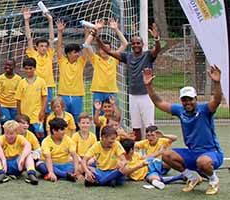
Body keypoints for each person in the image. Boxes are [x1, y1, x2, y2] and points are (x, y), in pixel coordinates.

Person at [144, 65, 224, 195]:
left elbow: (217, 99)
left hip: (212, 153)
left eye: (190, 99)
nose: (188, 103)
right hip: (193, 153)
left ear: (196, 99)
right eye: (184, 100)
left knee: (202, 162)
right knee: (166, 154)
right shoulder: (180, 110)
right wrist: (149, 86)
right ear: (181, 101)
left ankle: (213, 180)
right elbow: (159, 103)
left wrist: (217, 83)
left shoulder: (205, 109)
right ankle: (192, 177)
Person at [97, 22, 162, 140]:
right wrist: (97, 38)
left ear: (142, 44)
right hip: (133, 96)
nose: (136, 45)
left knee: (150, 127)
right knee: (136, 128)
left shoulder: (148, 55)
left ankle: (152, 151)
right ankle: (137, 150)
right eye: (133, 43)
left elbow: (157, 50)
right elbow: (109, 51)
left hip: (146, 96)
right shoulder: (128, 56)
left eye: (138, 43)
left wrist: (157, 39)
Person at [83, 19, 127, 113]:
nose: (104, 51)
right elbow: (86, 45)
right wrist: (95, 28)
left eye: (106, 49)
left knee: (112, 117)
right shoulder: (95, 59)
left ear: (110, 50)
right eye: (102, 49)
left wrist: (116, 29)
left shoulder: (114, 58)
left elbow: (125, 44)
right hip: (98, 92)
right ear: (99, 50)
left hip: (111, 92)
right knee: (98, 117)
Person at [23, 8, 55, 112]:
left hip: (48, 85)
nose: (44, 48)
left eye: (45, 46)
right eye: (41, 46)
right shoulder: (33, 54)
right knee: (35, 109)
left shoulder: (49, 54)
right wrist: (26, 21)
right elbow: (29, 38)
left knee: (47, 111)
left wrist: (50, 20)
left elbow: (51, 38)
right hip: (35, 85)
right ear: (37, 47)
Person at [56, 20, 86, 121]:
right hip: (63, 95)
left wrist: (87, 32)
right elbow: (59, 47)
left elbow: (86, 47)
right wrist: (60, 32)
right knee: (63, 120)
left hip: (77, 95)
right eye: (75, 52)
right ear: (68, 54)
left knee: (77, 120)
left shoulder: (81, 62)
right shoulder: (62, 61)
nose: (77, 54)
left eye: (78, 52)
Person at [0, 120, 38, 185]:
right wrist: (3, 159)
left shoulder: (20, 138)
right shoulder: (2, 138)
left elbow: (28, 145)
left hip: (18, 164)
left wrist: (22, 158)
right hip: (5, 166)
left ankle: (31, 174)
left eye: (11, 134)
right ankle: (0, 173)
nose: (8, 136)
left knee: (28, 154)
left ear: (17, 132)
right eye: (6, 133)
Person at [15, 58, 48, 140]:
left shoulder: (41, 82)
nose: (28, 70)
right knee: (26, 137)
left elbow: (44, 97)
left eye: (30, 68)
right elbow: (18, 100)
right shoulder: (21, 83)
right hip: (25, 116)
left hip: (37, 115)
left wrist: (43, 111)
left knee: (40, 136)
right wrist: (19, 114)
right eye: (26, 68)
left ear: (35, 68)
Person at [0, 59, 23, 135]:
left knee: (14, 125)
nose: (7, 67)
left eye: (10, 65)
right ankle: (3, 139)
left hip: (14, 105)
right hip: (3, 105)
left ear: (14, 66)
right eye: (6, 65)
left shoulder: (18, 79)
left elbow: (20, 93)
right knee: (5, 124)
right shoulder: (0, 78)